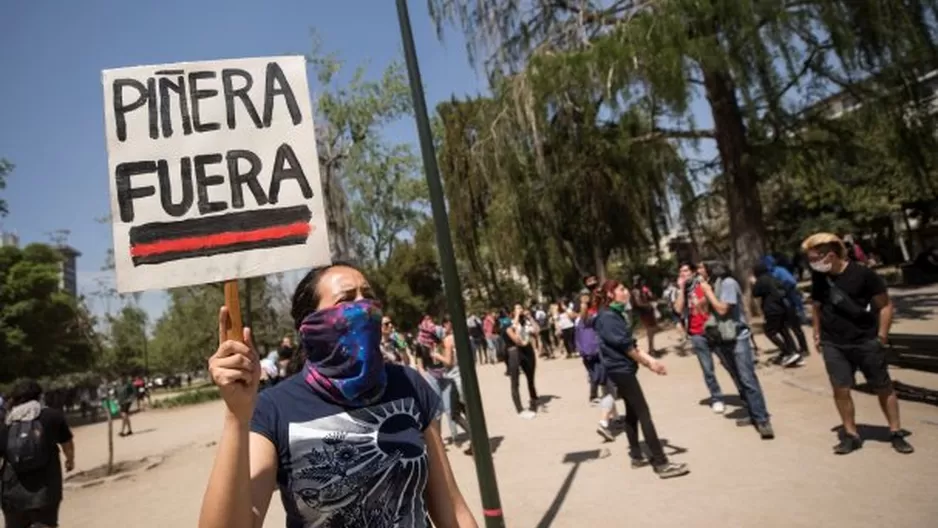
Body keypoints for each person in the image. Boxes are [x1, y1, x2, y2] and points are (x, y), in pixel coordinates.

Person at [199, 263, 476, 528]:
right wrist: (236, 417)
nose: (364, 307)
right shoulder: (274, 408)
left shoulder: (408, 384)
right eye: (346, 300)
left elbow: (452, 509)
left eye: (368, 296)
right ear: (310, 326)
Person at [801, 233, 913, 455]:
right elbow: (817, 305)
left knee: (883, 387)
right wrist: (816, 332)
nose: (812, 263)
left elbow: (886, 306)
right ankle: (851, 435)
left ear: (831, 255)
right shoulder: (819, 278)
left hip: (865, 340)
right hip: (833, 343)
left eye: (814, 258)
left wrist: (881, 336)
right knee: (840, 388)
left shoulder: (863, 275)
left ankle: (896, 431)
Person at [593, 280, 689, 479]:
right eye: (621, 289)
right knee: (644, 413)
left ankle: (636, 455)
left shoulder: (615, 314)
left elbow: (631, 344)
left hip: (623, 368)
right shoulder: (608, 317)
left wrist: (651, 360)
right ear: (611, 294)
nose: (625, 291)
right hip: (620, 370)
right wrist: (650, 364)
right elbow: (626, 347)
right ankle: (661, 463)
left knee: (632, 412)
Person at [698, 261, 775, 440]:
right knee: (738, 378)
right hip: (722, 338)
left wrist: (708, 293)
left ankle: (762, 419)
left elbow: (723, 309)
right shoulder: (714, 285)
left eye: (702, 268)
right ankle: (753, 413)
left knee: (747, 378)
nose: (699, 271)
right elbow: (701, 308)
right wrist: (704, 296)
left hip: (738, 336)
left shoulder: (728, 283)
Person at [1, 379, 75, 528]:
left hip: (13, 492)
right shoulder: (52, 416)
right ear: (39, 396)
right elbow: (67, 443)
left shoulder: (5, 423)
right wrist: (70, 460)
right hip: (46, 490)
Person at [674, 262, 729, 414]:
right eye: (680, 272)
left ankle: (744, 393)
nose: (683, 274)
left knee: (728, 363)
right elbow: (678, 310)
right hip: (696, 332)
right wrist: (681, 289)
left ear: (693, 272)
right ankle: (717, 398)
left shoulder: (704, 284)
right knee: (707, 369)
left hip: (713, 329)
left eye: (685, 270)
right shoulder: (683, 290)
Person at [751, 263, 803, 367]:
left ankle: (787, 351)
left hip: (771, 310)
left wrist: (753, 283)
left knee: (770, 331)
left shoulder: (761, 280)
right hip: (782, 307)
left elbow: (755, 293)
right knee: (784, 331)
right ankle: (794, 351)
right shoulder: (773, 277)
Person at [440, 318, 473, 455]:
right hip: (463, 377)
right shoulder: (464, 338)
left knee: (454, 413)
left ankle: (475, 438)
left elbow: (448, 362)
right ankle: (474, 441)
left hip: (453, 378)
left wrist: (436, 355)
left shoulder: (448, 340)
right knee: (466, 411)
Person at [503, 305, 539, 419]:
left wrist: (530, 318)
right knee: (515, 381)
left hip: (527, 349)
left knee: (530, 375)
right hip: (516, 351)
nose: (520, 310)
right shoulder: (509, 323)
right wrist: (517, 315)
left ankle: (533, 398)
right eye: (517, 309)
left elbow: (537, 331)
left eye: (521, 308)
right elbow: (514, 334)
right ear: (512, 312)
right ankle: (520, 409)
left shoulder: (525, 322)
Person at [630, 275, 659, 356]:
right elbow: (639, 303)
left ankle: (651, 348)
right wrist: (649, 305)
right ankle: (651, 349)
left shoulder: (642, 290)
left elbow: (651, 297)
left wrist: (649, 294)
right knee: (650, 329)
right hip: (645, 312)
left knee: (652, 329)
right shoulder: (636, 291)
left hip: (646, 311)